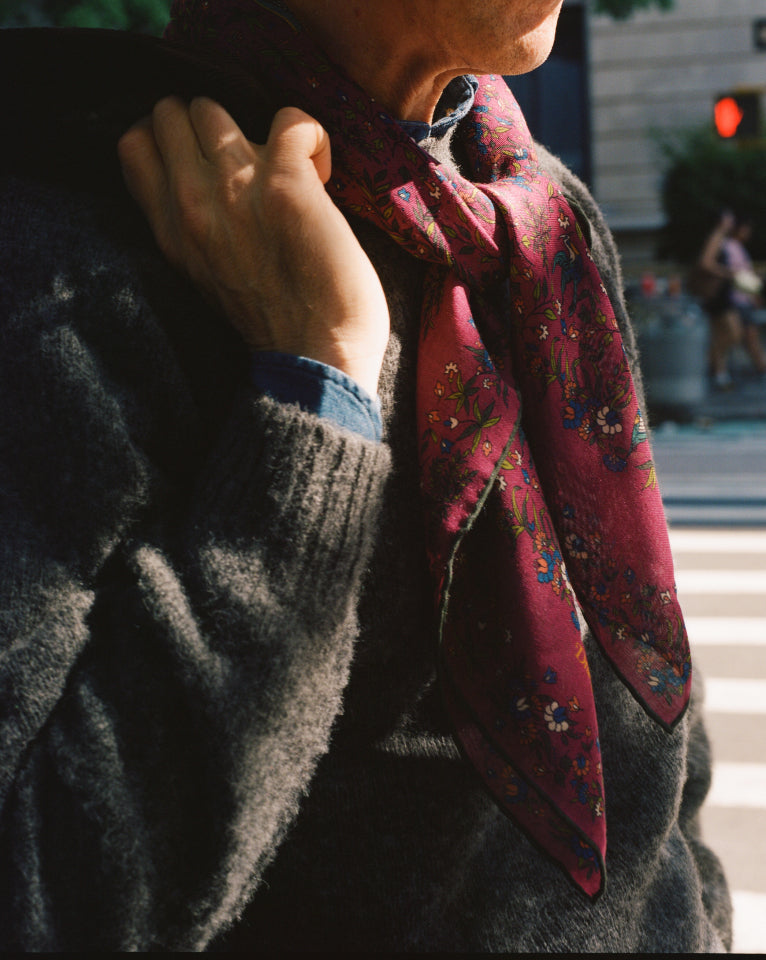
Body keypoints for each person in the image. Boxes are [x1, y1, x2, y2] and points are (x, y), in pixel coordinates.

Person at [0, 0, 732, 951]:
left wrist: (695, 911)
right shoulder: (65, 251)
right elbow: (45, 899)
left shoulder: (535, 211)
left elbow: (639, 655)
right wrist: (317, 387)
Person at [698, 210, 766, 388]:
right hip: (723, 298)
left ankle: (722, 373)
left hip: (733, 299)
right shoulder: (720, 239)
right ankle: (714, 370)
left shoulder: (730, 243)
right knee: (730, 335)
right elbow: (706, 263)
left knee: (743, 336)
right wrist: (731, 274)